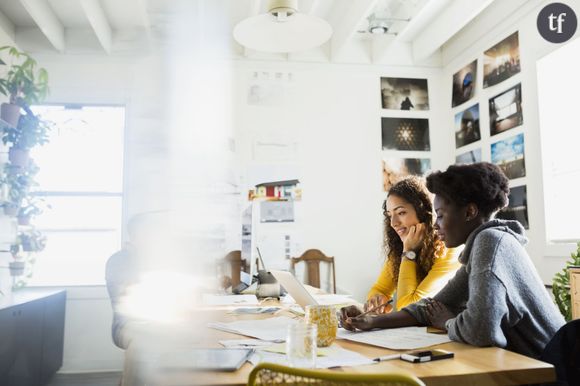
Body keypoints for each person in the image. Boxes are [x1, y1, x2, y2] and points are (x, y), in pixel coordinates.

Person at [341, 162, 565, 359]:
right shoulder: (482, 245)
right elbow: (430, 308)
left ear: (469, 212)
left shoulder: (490, 243)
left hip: (552, 369)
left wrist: (447, 322)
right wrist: (370, 321)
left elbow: (481, 331)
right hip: (528, 364)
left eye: (440, 215)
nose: (435, 224)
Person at [366, 176, 462, 313]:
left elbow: (408, 308)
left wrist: (409, 253)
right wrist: (376, 300)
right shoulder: (399, 247)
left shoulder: (449, 249)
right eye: (389, 215)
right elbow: (379, 289)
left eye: (401, 212)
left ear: (423, 213)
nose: (393, 223)